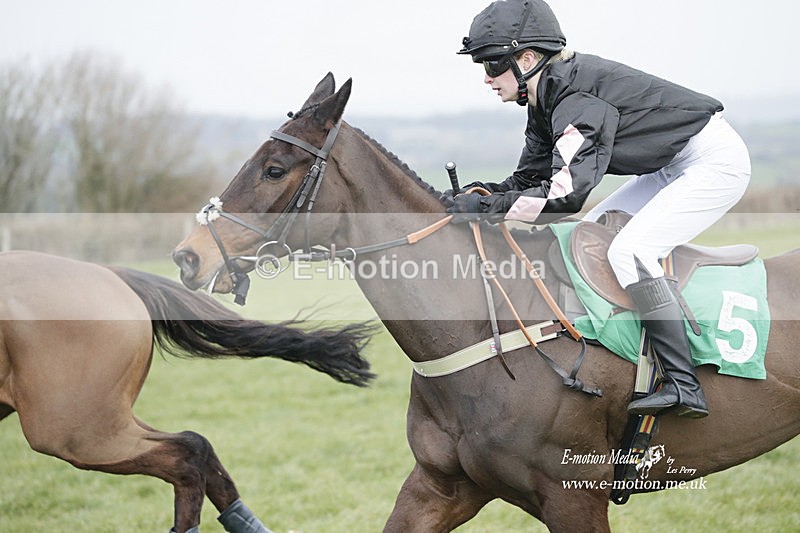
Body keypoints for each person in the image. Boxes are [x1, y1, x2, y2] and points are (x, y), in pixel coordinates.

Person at [450, 0, 752, 418]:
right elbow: (528, 180)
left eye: (491, 64)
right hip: (669, 164)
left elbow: (563, 197)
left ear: (526, 58)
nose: (486, 77)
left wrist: (491, 209)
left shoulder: (576, 100)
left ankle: (685, 385)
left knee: (629, 251)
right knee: (586, 236)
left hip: (714, 163)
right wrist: (484, 196)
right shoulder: (545, 98)